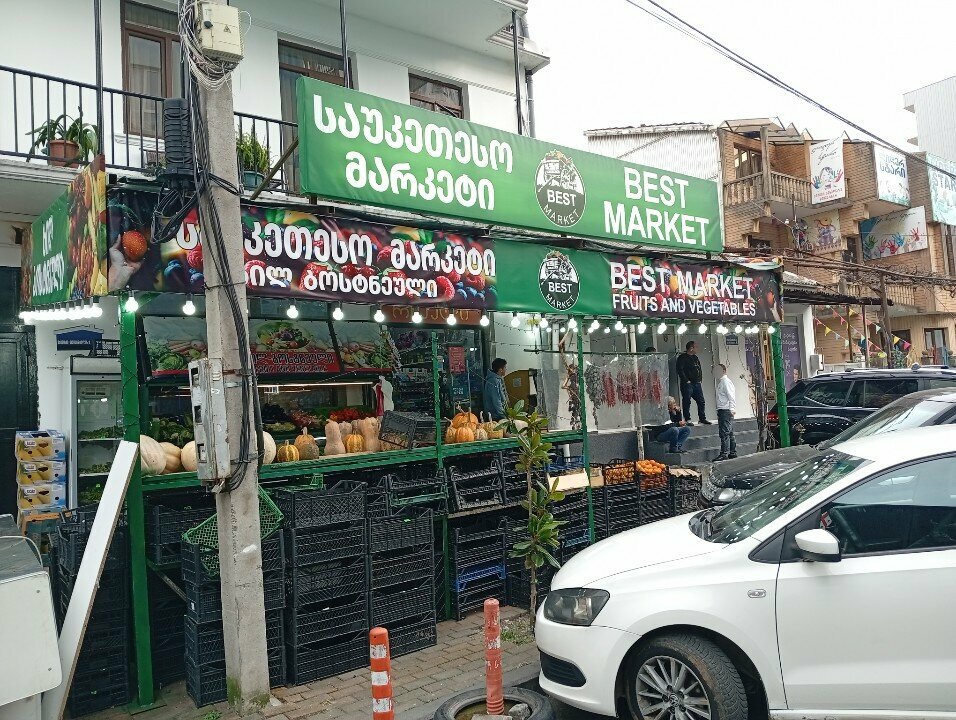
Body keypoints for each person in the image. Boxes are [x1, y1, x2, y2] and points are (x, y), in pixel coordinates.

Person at [676, 340, 710, 425]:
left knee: (701, 401)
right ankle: (687, 419)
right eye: (696, 347)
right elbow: (680, 370)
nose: (697, 349)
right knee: (687, 401)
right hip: (688, 384)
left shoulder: (695, 357)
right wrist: (686, 380)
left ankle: (702, 418)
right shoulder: (682, 357)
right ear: (691, 348)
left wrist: (700, 378)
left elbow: (699, 368)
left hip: (697, 383)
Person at [714, 363, 737, 461]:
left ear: (723, 371)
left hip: (725, 410)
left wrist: (732, 408)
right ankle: (732, 452)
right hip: (724, 409)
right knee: (729, 432)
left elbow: (731, 396)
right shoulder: (722, 382)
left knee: (724, 433)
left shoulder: (725, 382)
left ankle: (724, 453)